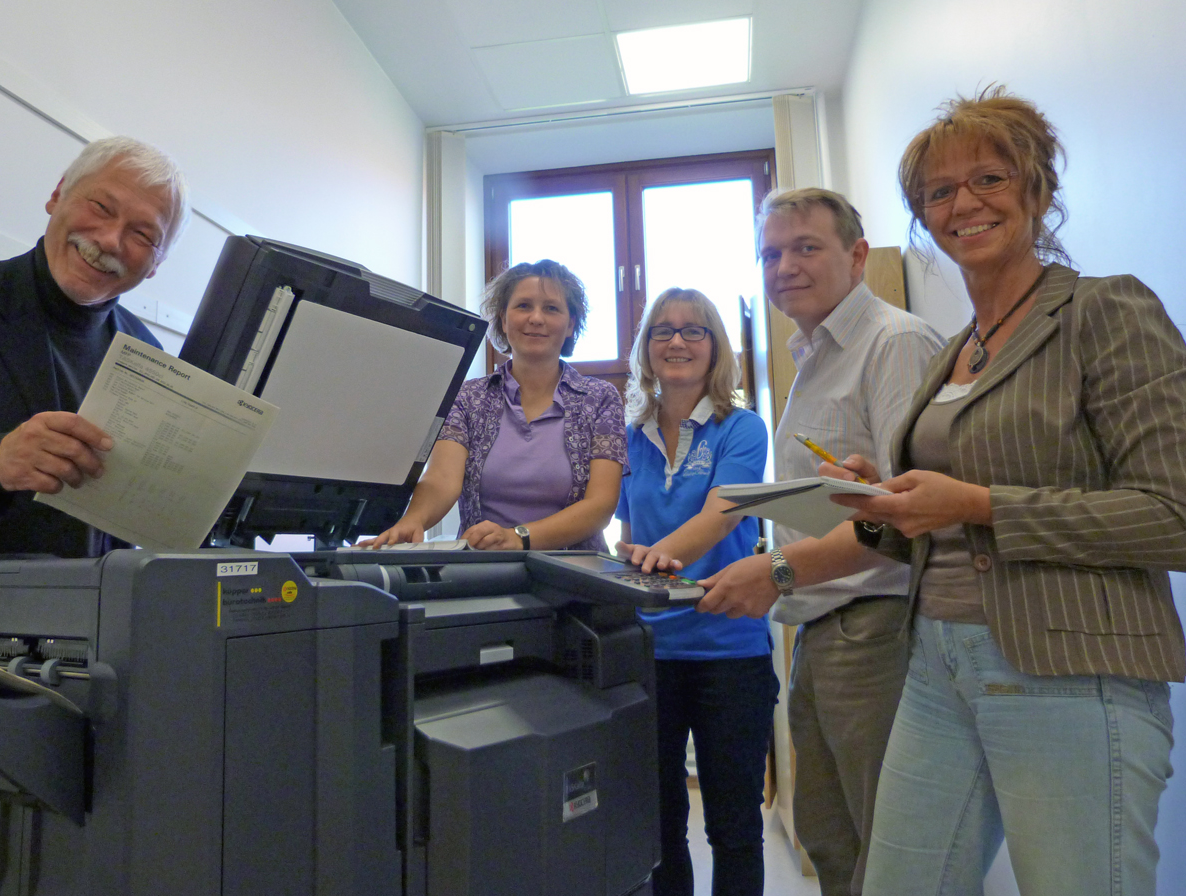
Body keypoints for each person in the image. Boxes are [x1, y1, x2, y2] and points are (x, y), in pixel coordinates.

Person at [824, 87, 1186, 896]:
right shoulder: (951, 351)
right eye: (938, 192)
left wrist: (977, 505)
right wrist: (883, 503)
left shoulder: (1103, 310)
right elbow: (941, 521)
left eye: (988, 179)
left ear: (1037, 189)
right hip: (936, 662)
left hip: (1071, 670)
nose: (963, 204)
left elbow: (1174, 516)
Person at [697, 188, 944, 896]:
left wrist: (774, 568)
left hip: (877, 630)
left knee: (896, 856)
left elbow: (903, 514)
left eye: (806, 247)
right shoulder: (812, 355)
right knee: (832, 842)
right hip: (819, 626)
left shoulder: (893, 343)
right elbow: (848, 495)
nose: (784, 267)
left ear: (857, 256)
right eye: (770, 253)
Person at [0, 136, 189, 560]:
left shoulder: (148, 357)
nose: (110, 240)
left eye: (142, 234)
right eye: (101, 207)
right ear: (57, 194)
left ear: (157, 264)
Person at [614, 287, 775, 896]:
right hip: (649, 655)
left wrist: (652, 559)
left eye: (693, 330)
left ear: (715, 347)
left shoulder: (743, 427)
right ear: (646, 348)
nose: (676, 341)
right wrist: (627, 558)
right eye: (662, 330)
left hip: (729, 652)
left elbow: (722, 514)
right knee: (657, 828)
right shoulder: (629, 438)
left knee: (734, 827)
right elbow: (628, 533)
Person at [367, 259, 626, 550]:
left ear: (571, 325)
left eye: (551, 308)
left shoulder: (601, 398)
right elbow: (442, 478)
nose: (536, 318)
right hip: (483, 564)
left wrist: (518, 537)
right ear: (503, 320)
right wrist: (414, 520)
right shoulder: (468, 397)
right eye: (523, 306)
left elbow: (601, 505)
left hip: (575, 570)